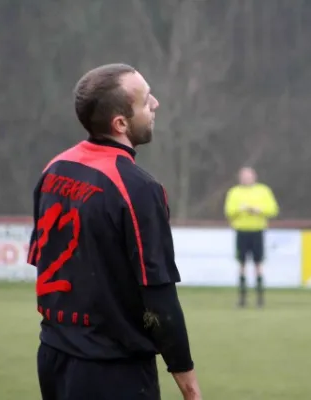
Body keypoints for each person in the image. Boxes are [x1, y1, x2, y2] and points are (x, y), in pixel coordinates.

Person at [28, 63, 201, 400]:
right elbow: (159, 300)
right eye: (146, 100)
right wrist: (191, 389)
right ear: (120, 123)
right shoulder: (138, 188)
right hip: (112, 372)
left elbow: (47, 263)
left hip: (53, 359)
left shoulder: (54, 168)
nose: (156, 105)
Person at [224, 167, 279, 308]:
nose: (246, 179)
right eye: (243, 176)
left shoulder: (263, 191)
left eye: (249, 176)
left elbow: (273, 209)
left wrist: (259, 210)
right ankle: (242, 298)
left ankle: (260, 299)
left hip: (257, 230)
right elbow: (228, 211)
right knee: (241, 264)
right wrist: (240, 209)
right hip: (241, 231)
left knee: (258, 264)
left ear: (254, 177)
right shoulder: (234, 192)